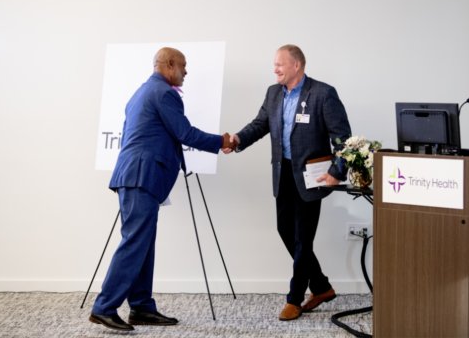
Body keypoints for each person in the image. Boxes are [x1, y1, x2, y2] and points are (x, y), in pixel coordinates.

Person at [90, 47, 235, 331]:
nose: (186, 72)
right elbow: (185, 133)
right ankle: (104, 307)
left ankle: (141, 307)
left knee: (142, 243)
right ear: (169, 65)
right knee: (134, 242)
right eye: (183, 66)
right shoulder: (164, 93)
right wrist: (222, 141)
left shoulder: (141, 92)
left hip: (137, 177)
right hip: (141, 177)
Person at [226, 44, 351, 321]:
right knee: (286, 230)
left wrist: (336, 171)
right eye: (274, 64)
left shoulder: (323, 93)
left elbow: (343, 138)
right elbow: (260, 124)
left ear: (297, 66)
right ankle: (321, 286)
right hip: (282, 173)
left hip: (312, 177)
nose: (275, 69)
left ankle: (295, 298)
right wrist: (237, 139)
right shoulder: (273, 93)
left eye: (280, 64)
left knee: (303, 238)